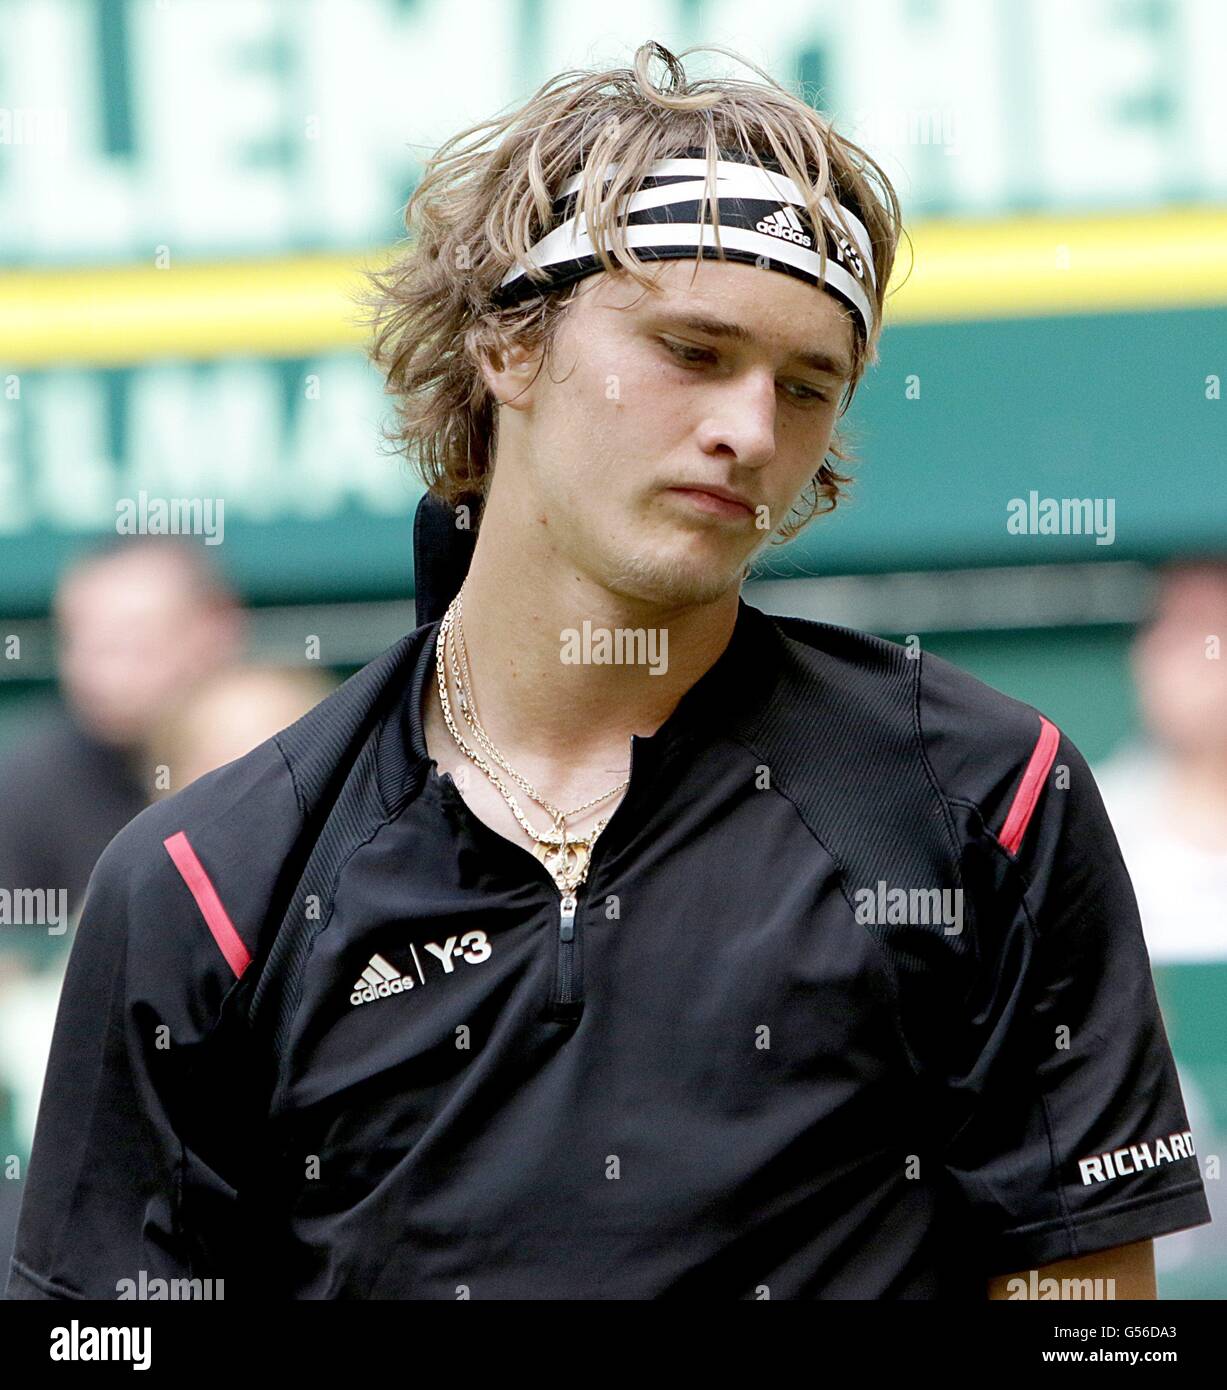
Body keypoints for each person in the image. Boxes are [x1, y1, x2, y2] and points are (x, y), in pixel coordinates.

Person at [6, 40, 1210, 1302]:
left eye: (808, 386)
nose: (751, 429)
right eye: (693, 350)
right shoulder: (205, 878)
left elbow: (1088, 1312)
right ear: (507, 348)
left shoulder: (985, 799)